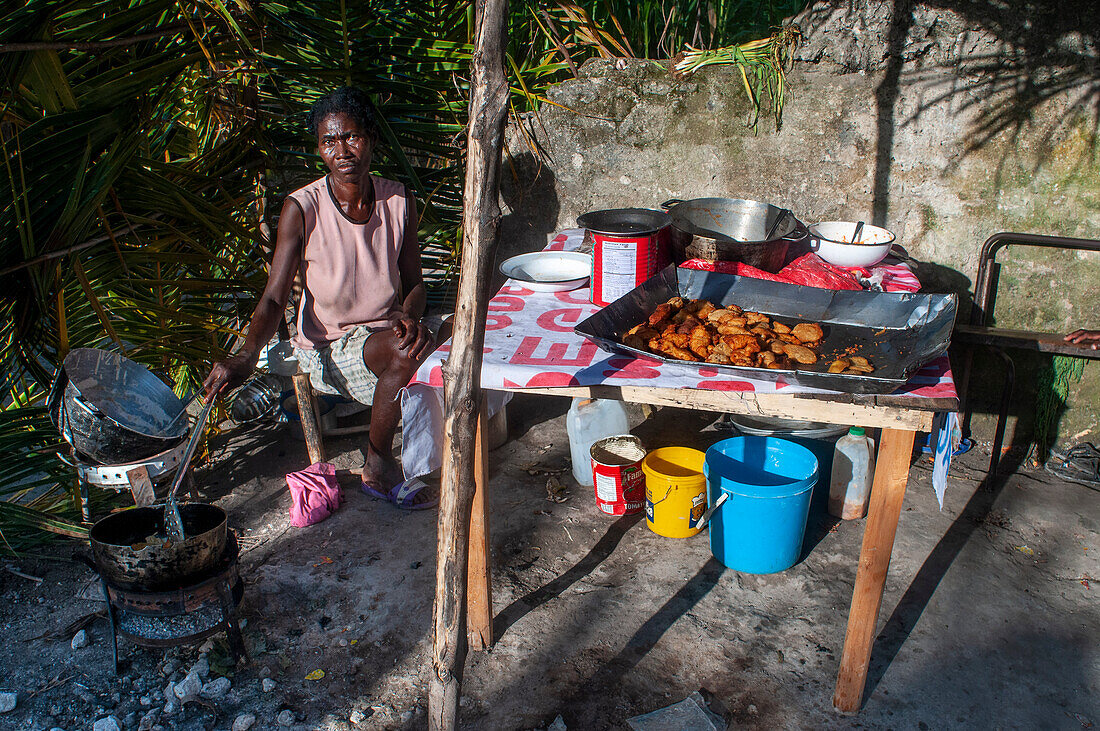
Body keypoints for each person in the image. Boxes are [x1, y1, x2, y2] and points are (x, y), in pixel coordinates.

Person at [204, 86, 437, 508]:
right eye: (329, 141)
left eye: (351, 136)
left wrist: (408, 312)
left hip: (386, 330)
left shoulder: (398, 198)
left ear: (371, 140)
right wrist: (245, 354)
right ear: (319, 149)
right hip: (328, 348)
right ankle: (378, 461)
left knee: (465, 329)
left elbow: (415, 282)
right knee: (407, 352)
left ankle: (452, 446)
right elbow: (275, 298)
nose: (342, 150)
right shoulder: (303, 207)